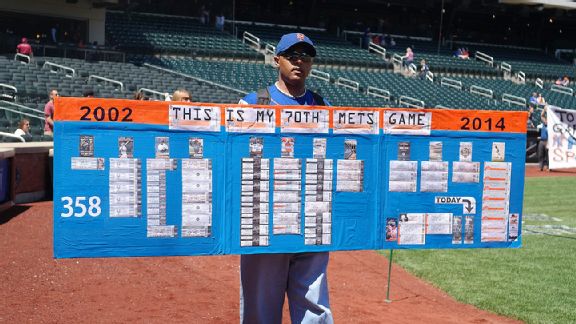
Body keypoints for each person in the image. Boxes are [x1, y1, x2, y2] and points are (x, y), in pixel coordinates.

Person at [238, 33, 333, 324]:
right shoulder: (252, 103)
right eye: (292, 56)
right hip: (265, 220)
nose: (299, 62)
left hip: (311, 219)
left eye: (306, 57)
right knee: (260, 309)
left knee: (314, 307)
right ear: (277, 59)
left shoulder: (323, 106)